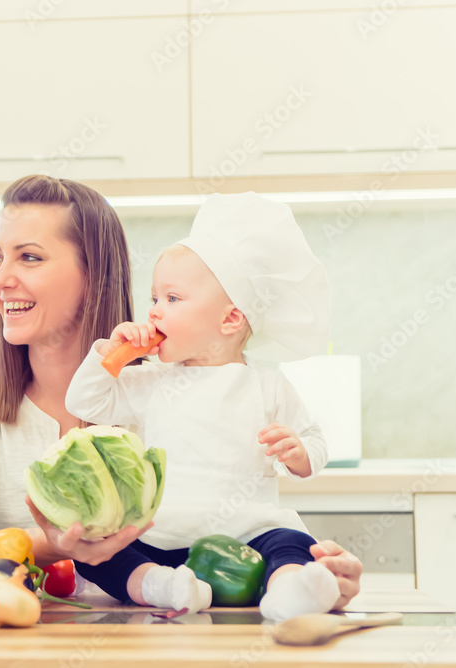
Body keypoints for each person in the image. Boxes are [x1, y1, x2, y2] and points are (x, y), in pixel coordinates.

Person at [0, 176, 363, 611]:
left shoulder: (165, 384)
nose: (1, 278)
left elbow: (227, 530)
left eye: (29, 257)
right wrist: (61, 545)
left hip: (161, 633)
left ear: (93, 274)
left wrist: (311, 576)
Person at [65, 191, 344, 620]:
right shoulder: (152, 380)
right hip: (162, 537)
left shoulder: (267, 383)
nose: (155, 312)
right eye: (154, 298)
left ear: (230, 319)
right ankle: (161, 586)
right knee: (94, 555)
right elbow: (85, 399)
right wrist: (110, 352)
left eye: (172, 299)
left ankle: (288, 593)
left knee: (291, 542)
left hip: (247, 535)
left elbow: (314, 442)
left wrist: (300, 452)